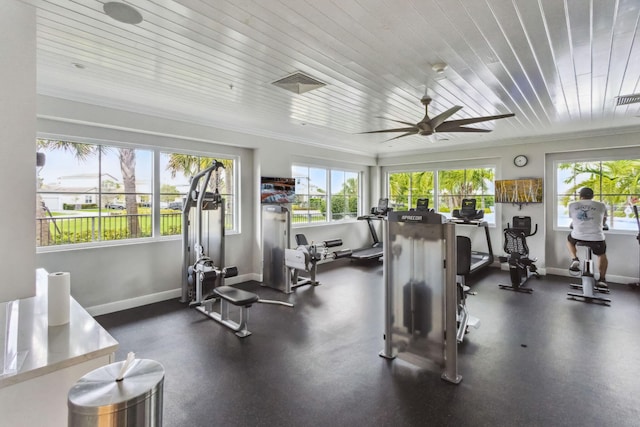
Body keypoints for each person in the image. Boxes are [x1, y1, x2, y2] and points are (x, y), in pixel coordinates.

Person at [566, 187, 608, 288]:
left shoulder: (572, 205)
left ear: (580, 196)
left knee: (569, 240)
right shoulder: (601, 205)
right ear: (592, 196)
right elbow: (603, 221)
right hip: (596, 238)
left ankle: (575, 259)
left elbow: (574, 219)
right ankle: (602, 279)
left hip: (578, 236)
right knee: (601, 254)